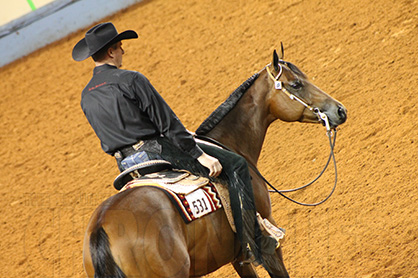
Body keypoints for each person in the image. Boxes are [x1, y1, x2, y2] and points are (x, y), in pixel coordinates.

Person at [72, 22, 276, 265]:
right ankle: (254, 242)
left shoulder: (86, 95)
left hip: (126, 165)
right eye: (121, 48)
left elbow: (114, 131)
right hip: (157, 152)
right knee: (237, 164)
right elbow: (166, 122)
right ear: (111, 52)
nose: (123, 53)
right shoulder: (131, 79)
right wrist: (198, 154)